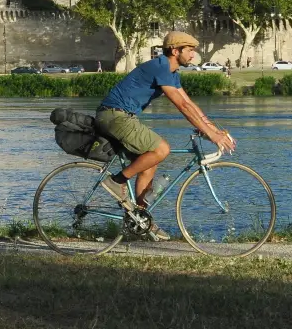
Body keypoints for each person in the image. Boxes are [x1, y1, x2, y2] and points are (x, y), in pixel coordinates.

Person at [93, 31, 236, 241]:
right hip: (114, 116)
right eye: (190, 50)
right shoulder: (160, 66)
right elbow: (182, 106)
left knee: (149, 164)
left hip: (121, 117)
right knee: (162, 149)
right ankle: (116, 181)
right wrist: (211, 135)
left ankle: (140, 221)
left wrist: (214, 130)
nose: (193, 55)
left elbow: (190, 104)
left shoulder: (171, 72)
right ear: (175, 50)